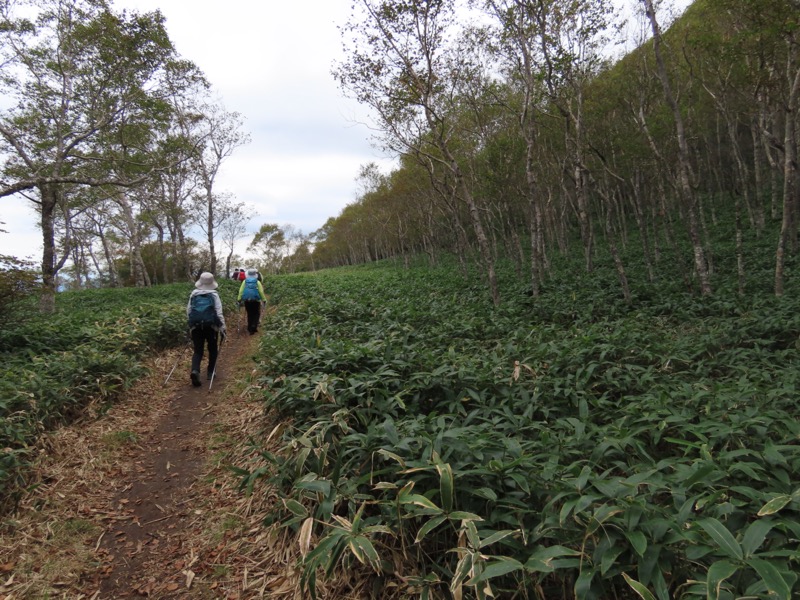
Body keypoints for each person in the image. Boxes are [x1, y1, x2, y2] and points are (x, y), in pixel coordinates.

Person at [187, 272, 226, 387]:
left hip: (196, 326)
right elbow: (219, 312)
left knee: (198, 350)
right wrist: (223, 328)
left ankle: (195, 370)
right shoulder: (214, 294)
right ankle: (210, 372)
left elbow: (189, 311)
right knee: (213, 349)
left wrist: (191, 325)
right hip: (211, 327)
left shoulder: (193, 294)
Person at [237, 267, 266, 334]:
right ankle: (254, 326)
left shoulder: (245, 281)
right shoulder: (257, 282)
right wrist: (264, 299)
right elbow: (261, 291)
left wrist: (239, 299)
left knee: (249, 314)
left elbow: (241, 291)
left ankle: (249, 328)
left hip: (247, 300)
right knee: (256, 313)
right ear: (255, 274)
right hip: (256, 300)